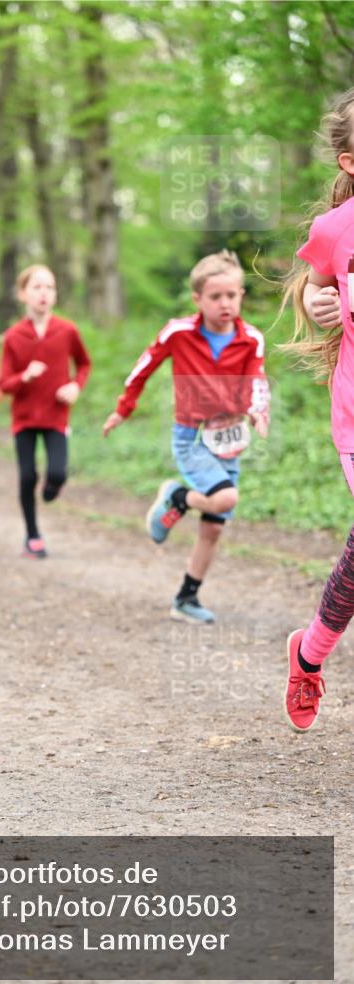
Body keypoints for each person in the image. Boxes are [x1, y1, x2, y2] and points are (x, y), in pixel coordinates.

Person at [103, 250, 270, 623]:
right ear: (198, 299)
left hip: (229, 436)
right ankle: (177, 496)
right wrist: (123, 409)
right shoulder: (178, 333)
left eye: (232, 295)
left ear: (241, 294)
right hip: (191, 437)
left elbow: (257, 380)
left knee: (214, 526)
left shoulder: (251, 339)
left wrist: (259, 411)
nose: (225, 303)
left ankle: (186, 598)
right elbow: (143, 368)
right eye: (216, 297)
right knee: (225, 497)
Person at [280, 87, 354, 733]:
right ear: (349, 163)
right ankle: (308, 658)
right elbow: (311, 288)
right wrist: (315, 305)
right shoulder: (333, 229)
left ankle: (308, 652)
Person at [0, 264, 91, 558]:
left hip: (56, 415)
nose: (44, 293)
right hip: (24, 418)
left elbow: (84, 363)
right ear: (23, 294)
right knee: (27, 477)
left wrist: (75, 385)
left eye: (49, 287)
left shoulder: (67, 330)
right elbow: (3, 383)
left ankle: (52, 489)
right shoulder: (13, 336)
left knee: (57, 473)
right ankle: (32, 535)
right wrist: (23, 377)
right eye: (37, 287)